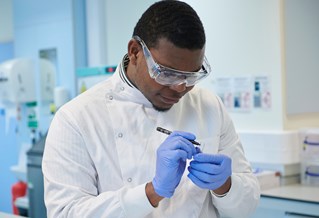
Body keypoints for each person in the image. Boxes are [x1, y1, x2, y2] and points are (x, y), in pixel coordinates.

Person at [42, 1, 260, 217]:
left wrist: (226, 186)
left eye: (191, 76)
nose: (180, 87)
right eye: (167, 73)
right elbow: (65, 213)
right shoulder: (76, 119)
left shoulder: (209, 107)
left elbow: (247, 206)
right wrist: (152, 192)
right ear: (135, 52)